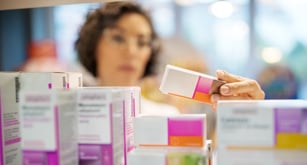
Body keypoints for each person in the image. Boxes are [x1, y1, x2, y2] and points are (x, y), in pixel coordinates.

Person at [75, 2, 265, 114]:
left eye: (142, 42)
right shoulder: (69, 114)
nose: (131, 52)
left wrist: (250, 117)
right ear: (92, 45)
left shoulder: (166, 117)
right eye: (118, 38)